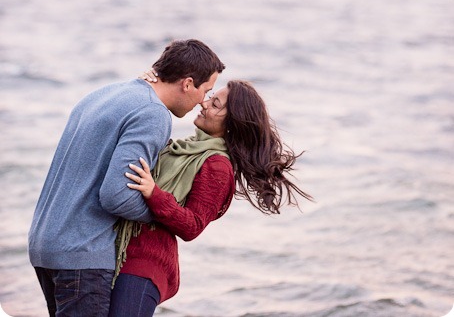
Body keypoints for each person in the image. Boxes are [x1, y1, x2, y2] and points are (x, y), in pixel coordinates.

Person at [28, 39, 225, 317]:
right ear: (187, 83)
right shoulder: (153, 113)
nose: (203, 100)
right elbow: (116, 195)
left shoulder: (104, 93)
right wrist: (163, 215)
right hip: (83, 252)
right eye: (206, 90)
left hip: (45, 245)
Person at [108, 79, 313, 317]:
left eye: (215, 104)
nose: (203, 104)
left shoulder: (217, 166)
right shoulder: (182, 148)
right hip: (121, 253)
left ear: (231, 124)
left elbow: (192, 225)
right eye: (210, 97)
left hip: (146, 265)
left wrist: (154, 194)